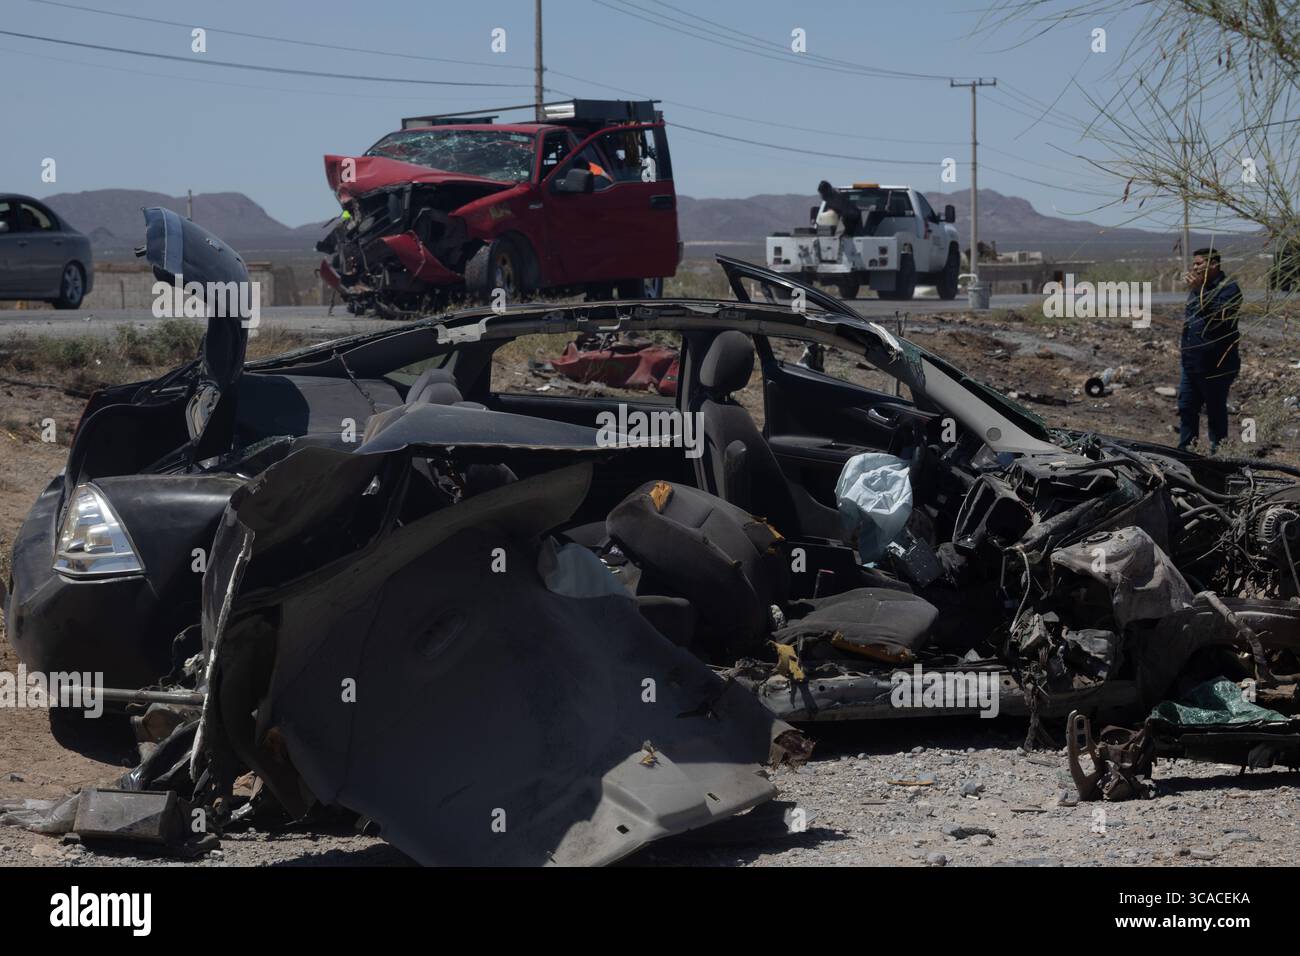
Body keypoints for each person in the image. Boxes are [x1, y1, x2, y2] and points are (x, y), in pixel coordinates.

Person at [1178, 247, 1243, 454]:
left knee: (1215, 411)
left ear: (1213, 265)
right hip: (1191, 363)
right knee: (1187, 407)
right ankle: (1187, 452)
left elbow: (1219, 317)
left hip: (1217, 365)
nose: (1194, 267)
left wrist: (1200, 291)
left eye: (1199, 264)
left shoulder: (1228, 288)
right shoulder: (1198, 289)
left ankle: (1219, 455)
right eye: (1194, 264)